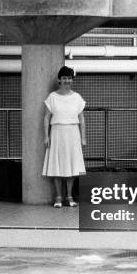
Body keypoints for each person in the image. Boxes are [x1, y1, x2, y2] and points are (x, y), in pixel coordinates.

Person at [43, 66, 86, 208]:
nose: (66, 80)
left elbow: (82, 119)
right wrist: (46, 136)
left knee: (71, 166)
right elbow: (46, 118)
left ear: (72, 80)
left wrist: (83, 138)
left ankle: (69, 196)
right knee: (57, 165)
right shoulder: (52, 97)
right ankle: (58, 197)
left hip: (73, 133)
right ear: (59, 80)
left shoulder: (77, 97)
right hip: (57, 133)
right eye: (64, 78)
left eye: (69, 78)